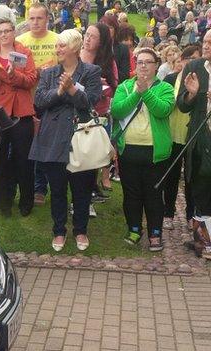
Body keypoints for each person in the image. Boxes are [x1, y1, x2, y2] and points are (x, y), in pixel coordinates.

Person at [28, 29, 102, 252]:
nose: (57, 49)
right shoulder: (49, 73)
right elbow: (39, 102)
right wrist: (60, 91)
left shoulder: (91, 71)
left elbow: (91, 101)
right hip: (53, 139)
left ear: (75, 48)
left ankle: (81, 230)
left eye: (62, 45)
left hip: (81, 138)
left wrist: (72, 90)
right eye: (57, 45)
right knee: (58, 190)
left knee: (81, 190)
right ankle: (59, 231)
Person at [111, 48, 175, 252]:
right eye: (140, 62)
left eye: (148, 62)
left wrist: (145, 92)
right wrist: (136, 93)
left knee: (154, 195)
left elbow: (163, 110)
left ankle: (155, 233)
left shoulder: (164, 88)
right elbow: (117, 110)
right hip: (129, 150)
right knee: (132, 194)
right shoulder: (125, 86)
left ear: (156, 65)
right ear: (135, 65)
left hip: (155, 153)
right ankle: (134, 229)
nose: (144, 66)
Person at [0, 18, 37, 217]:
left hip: (21, 113)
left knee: (24, 160)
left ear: (14, 32)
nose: (4, 35)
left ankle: (26, 201)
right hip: (0, 115)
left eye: (7, 31)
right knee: (0, 160)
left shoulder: (24, 53)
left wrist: (14, 75)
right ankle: (3, 202)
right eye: (0, 31)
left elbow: (31, 80)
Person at [17, 3, 59, 205]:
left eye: (39, 18)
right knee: (28, 145)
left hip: (51, 100)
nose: (35, 22)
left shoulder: (57, 40)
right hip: (26, 99)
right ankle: (33, 186)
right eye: (31, 18)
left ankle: (44, 186)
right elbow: (15, 74)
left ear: (47, 19)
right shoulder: (20, 42)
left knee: (46, 143)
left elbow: (65, 67)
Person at [176, 30, 211, 259]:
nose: (206, 45)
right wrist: (192, 95)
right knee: (200, 187)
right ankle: (204, 242)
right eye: (206, 41)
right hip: (201, 137)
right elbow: (182, 104)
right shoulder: (194, 67)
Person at [163, 45, 200, 230]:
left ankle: (191, 213)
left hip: (193, 136)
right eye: (188, 58)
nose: (191, 61)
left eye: (196, 58)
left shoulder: (203, 80)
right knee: (171, 176)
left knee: (191, 178)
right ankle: (168, 212)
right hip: (173, 133)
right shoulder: (171, 79)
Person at [80, 23, 118, 198]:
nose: (87, 39)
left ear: (101, 41)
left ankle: (90, 190)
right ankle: (81, 193)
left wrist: (102, 85)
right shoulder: (77, 55)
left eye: (92, 36)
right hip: (77, 111)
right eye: (86, 34)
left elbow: (114, 87)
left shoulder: (108, 61)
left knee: (94, 155)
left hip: (98, 113)